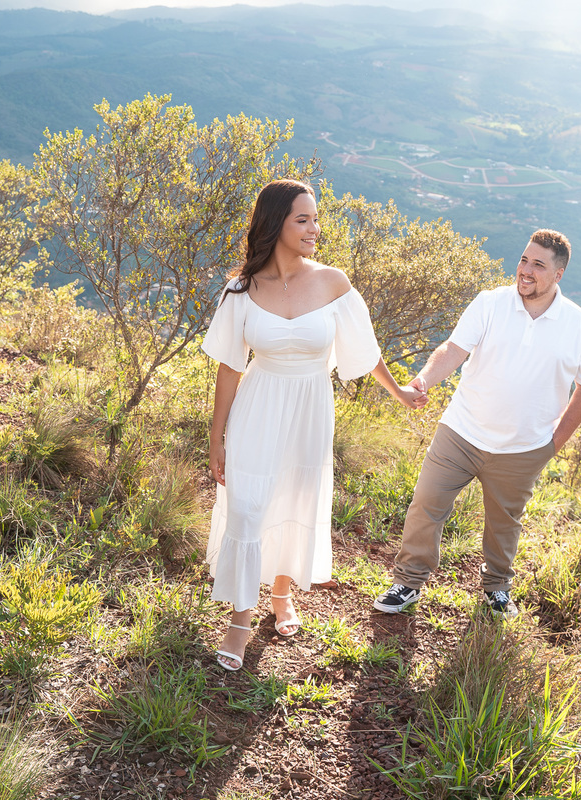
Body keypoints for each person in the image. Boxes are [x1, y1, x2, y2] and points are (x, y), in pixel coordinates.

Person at [203, 179, 426, 671]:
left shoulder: (333, 283)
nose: (314, 229)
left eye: (315, 219)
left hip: (309, 408)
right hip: (257, 406)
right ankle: (241, 618)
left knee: (293, 499)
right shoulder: (242, 289)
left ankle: (281, 593)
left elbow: (365, 352)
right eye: (302, 219)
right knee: (247, 505)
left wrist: (402, 393)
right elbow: (228, 368)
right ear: (275, 223)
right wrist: (216, 437)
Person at [373, 229, 581, 618]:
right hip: (461, 432)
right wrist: (424, 379)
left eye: (538, 265)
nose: (525, 270)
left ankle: (497, 588)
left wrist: (553, 444)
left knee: (504, 525)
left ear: (558, 275)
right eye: (524, 260)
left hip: (523, 449)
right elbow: (453, 349)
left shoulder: (580, 326)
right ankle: (408, 582)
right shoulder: (490, 303)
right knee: (426, 504)